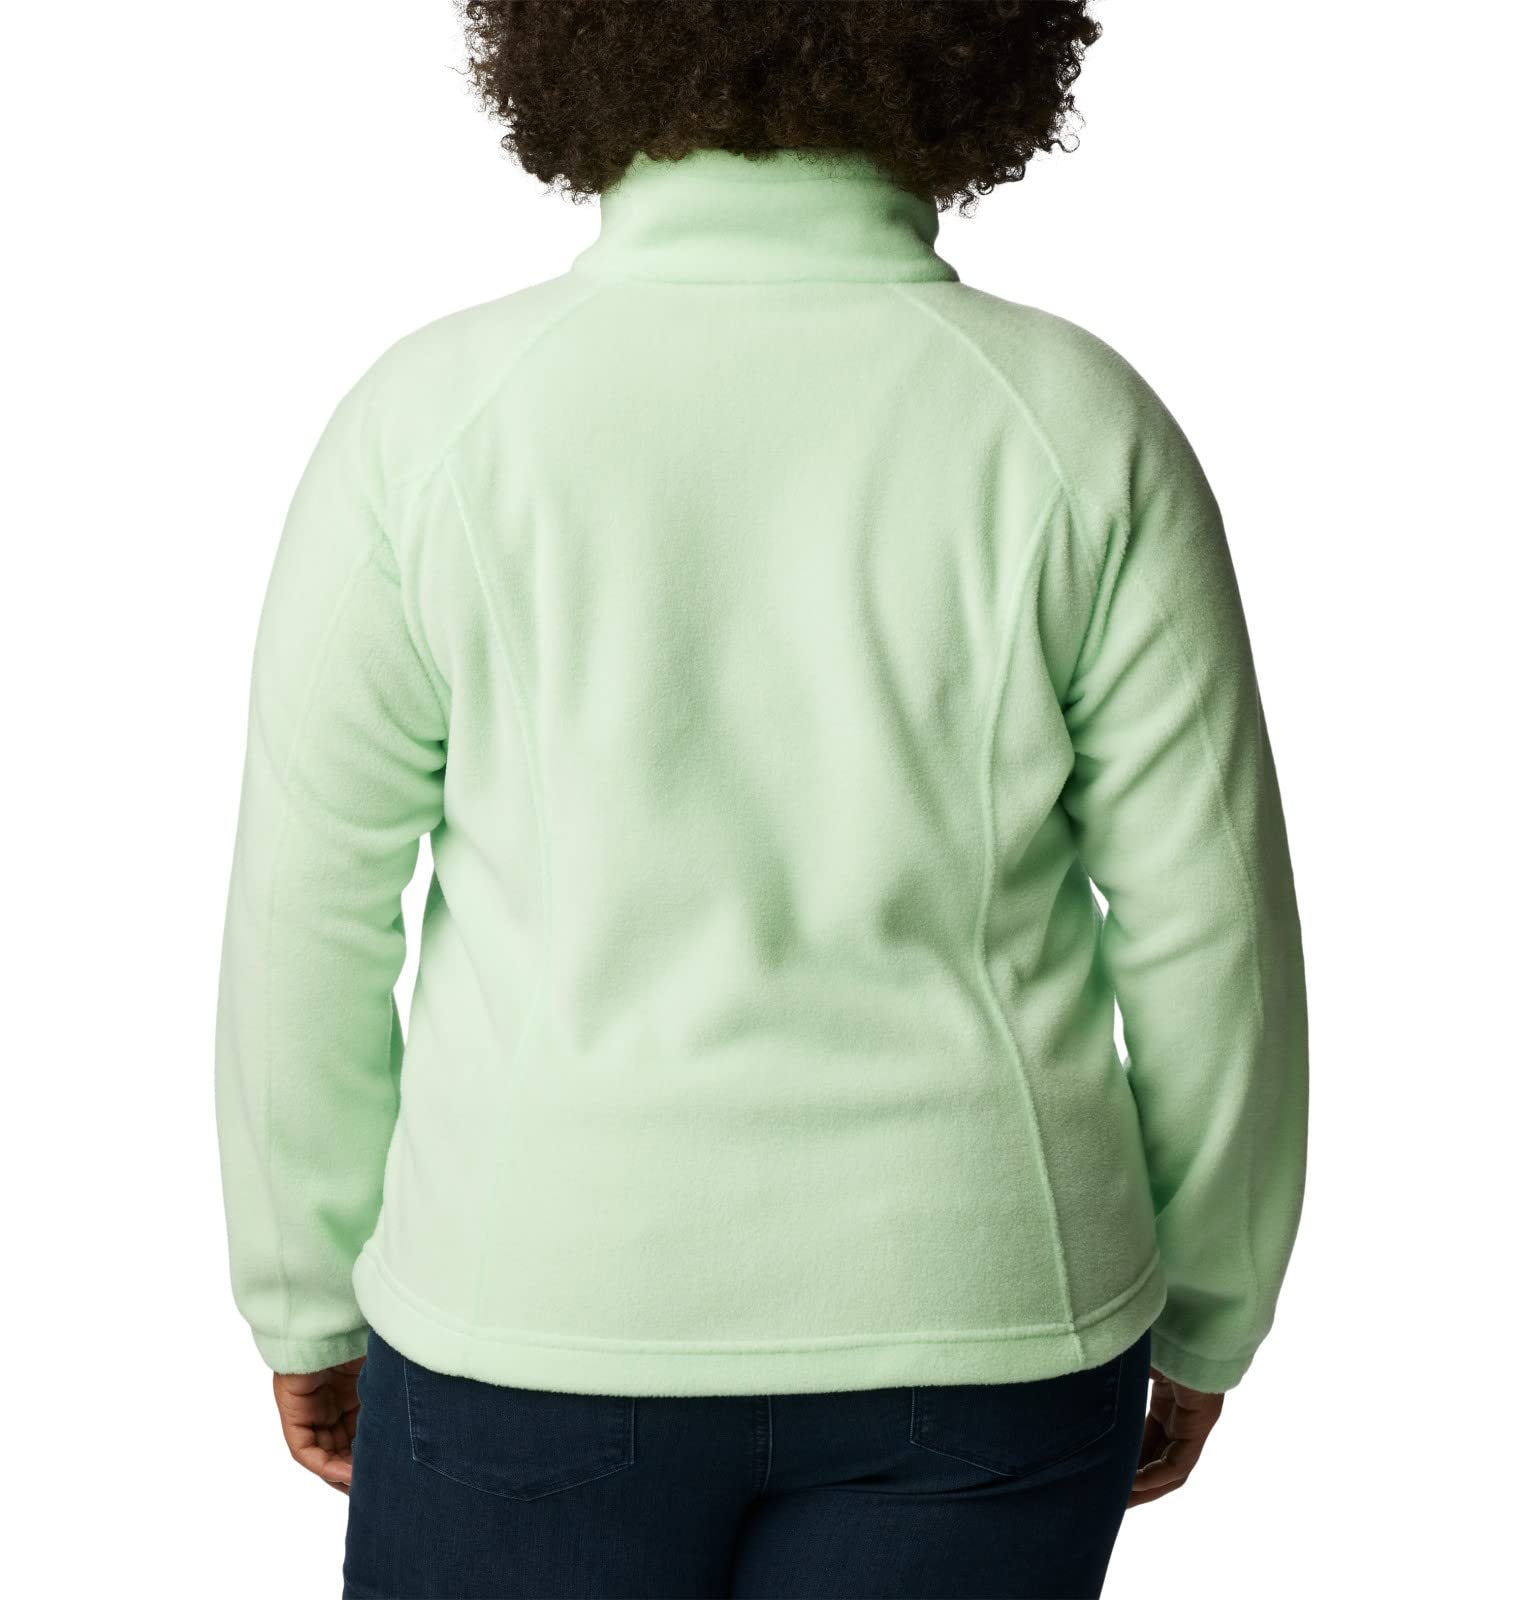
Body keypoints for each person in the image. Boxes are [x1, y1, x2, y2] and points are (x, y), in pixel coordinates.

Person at [213, 4, 1309, 1596]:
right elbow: (1214, 930)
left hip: (539, 1304)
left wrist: (300, 1291)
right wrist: (1214, 1305)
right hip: (986, 1318)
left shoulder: (431, 421)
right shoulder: (1075, 422)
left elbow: (306, 908)